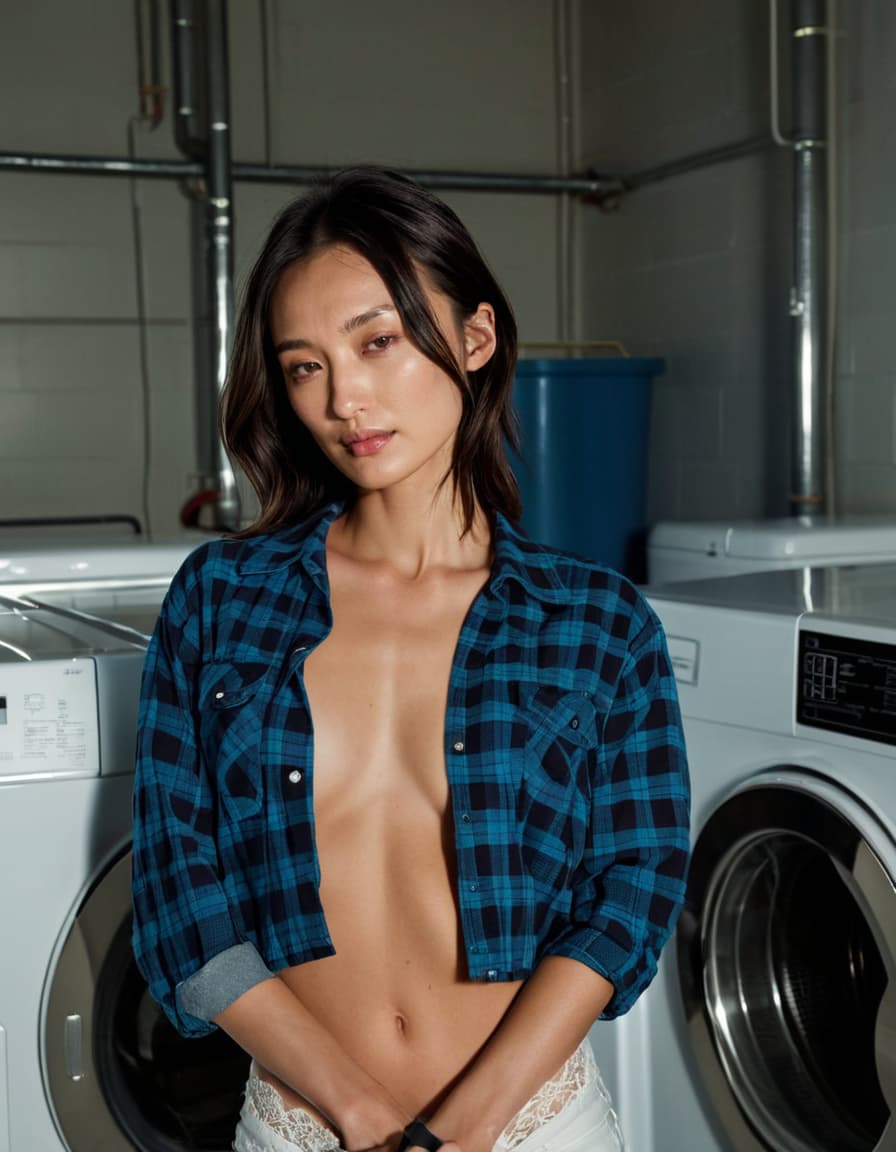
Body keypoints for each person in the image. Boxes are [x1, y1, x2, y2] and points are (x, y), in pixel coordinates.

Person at [131, 166, 690, 1152]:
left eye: (377, 341)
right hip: (302, 1127)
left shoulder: (597, 622)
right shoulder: (219, 600)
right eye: (303, 366)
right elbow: (180, 892)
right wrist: (358, 1116)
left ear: (475, 338)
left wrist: (463, 1132)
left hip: (530, 1126)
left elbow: (630, 889)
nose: (344, 398)